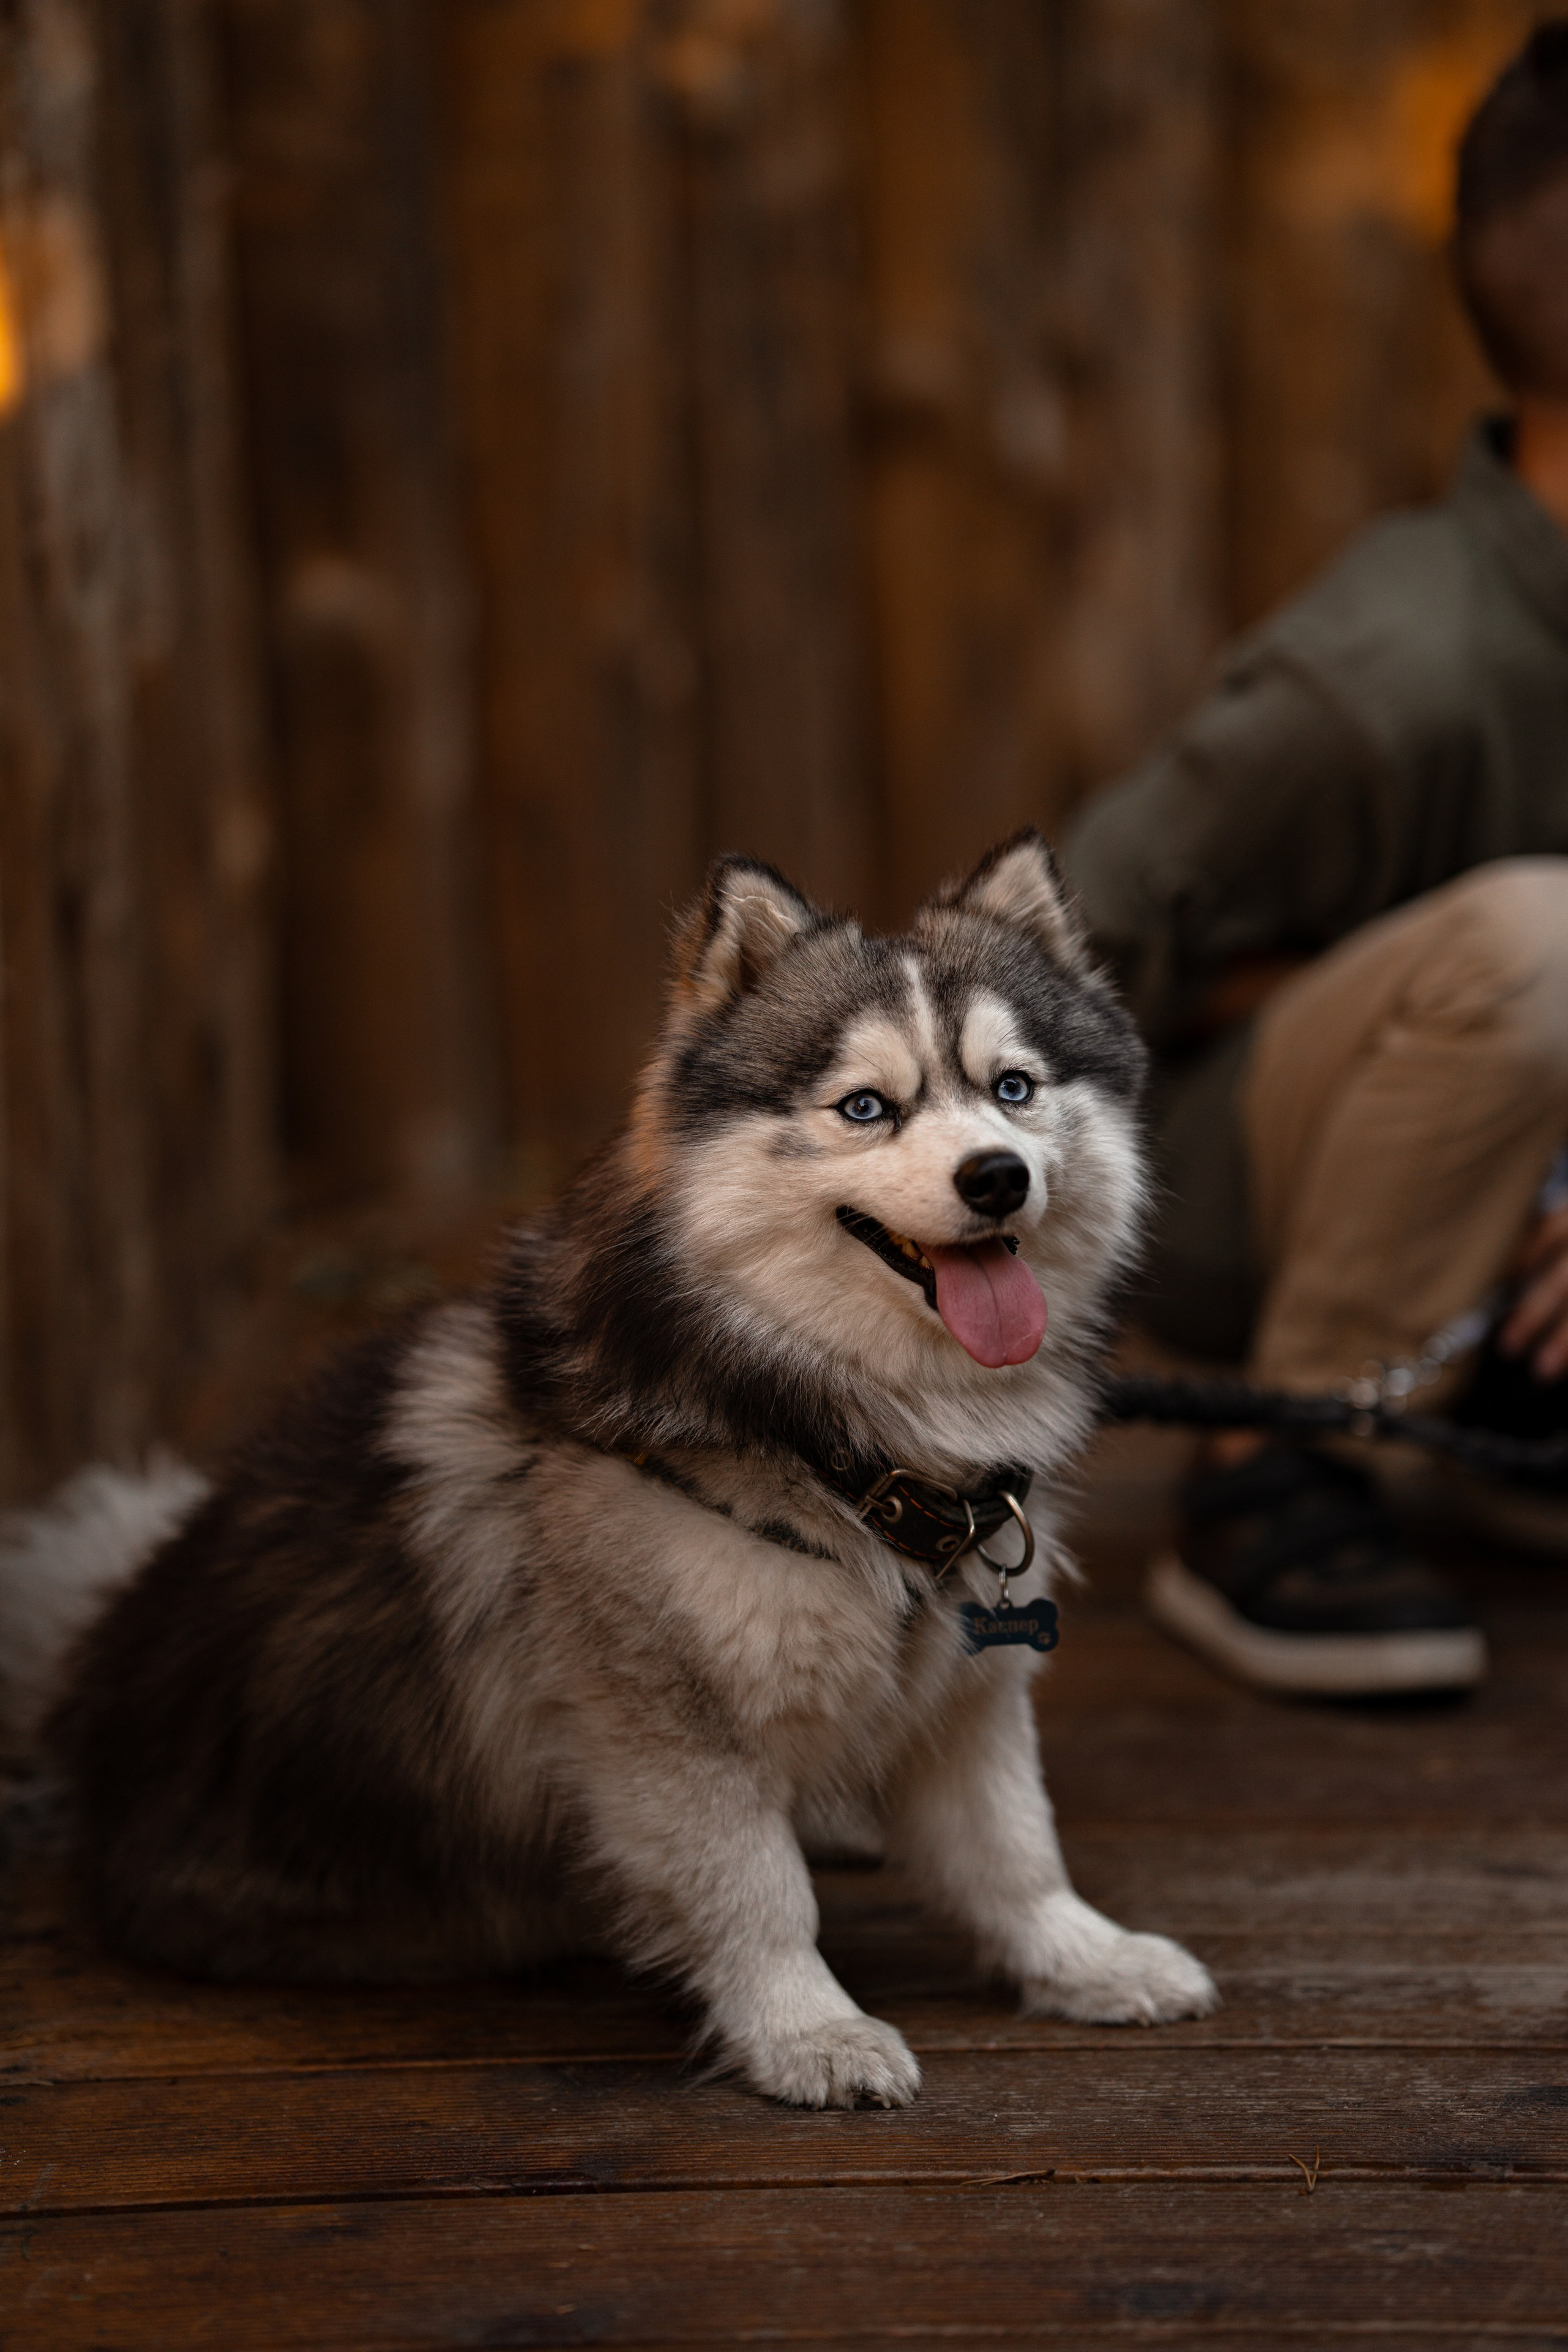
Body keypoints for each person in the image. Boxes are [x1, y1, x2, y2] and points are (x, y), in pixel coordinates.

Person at [1062, 22, 1568, 1700]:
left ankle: (1497, 1423)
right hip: (1261, 1193)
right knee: (1546, 945)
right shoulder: (1384, 679)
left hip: (1528, 1198)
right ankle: (1274, 1470)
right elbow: (1047, 977)